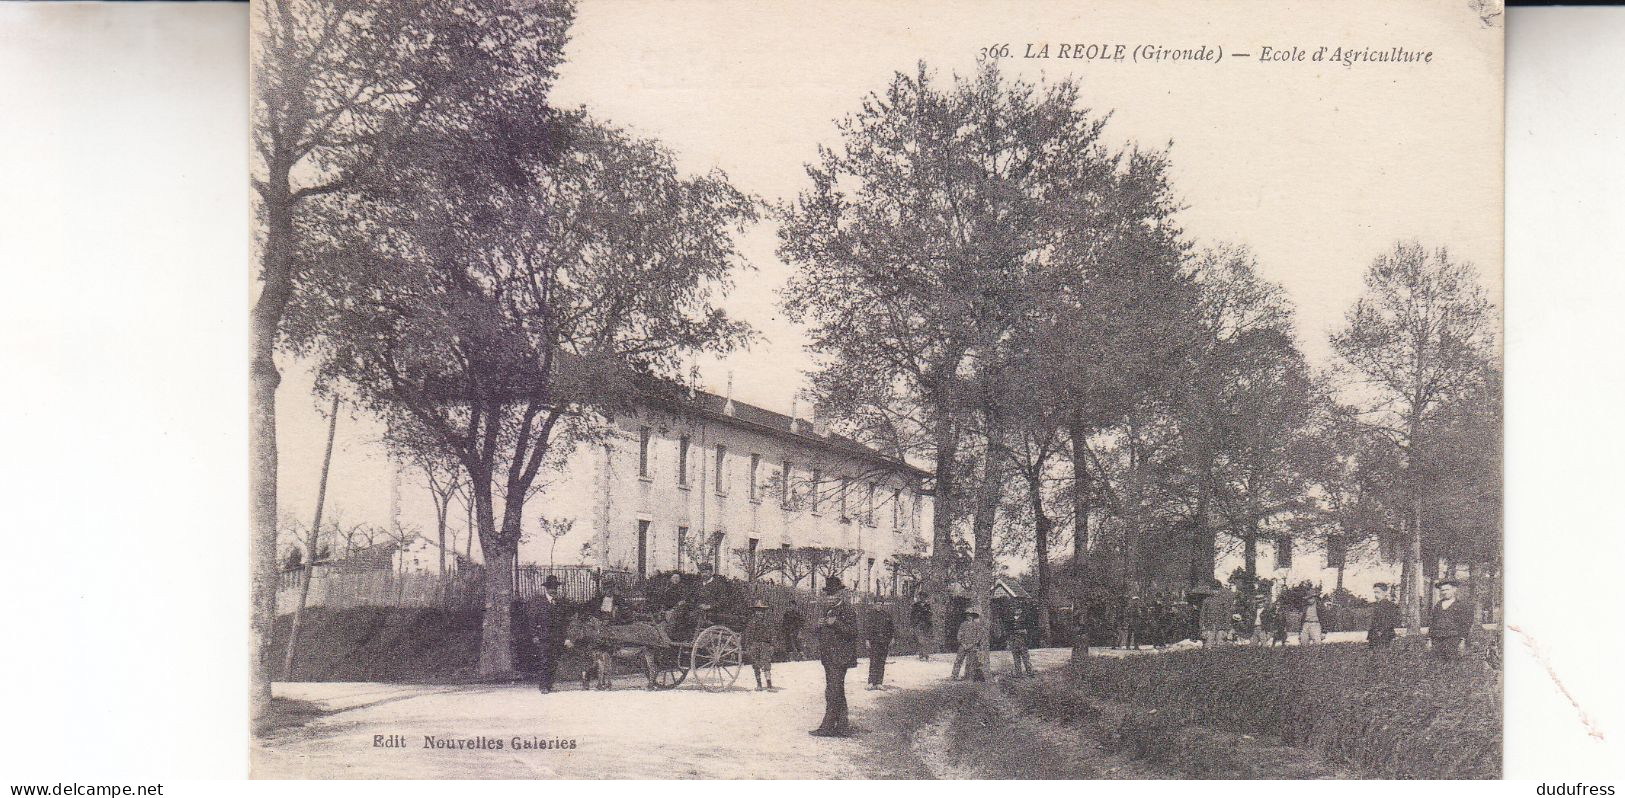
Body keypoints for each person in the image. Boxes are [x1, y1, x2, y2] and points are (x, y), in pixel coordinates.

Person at [810, 578, 859, 737]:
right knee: (837, 690)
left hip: (841, 657)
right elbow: (819, 632)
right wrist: (817, 626)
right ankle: (843, 726)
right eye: (828, 594)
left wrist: (835, 623)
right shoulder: (826, 610)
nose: (830, 597)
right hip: (828, 657)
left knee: (832, 690)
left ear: (840, 593)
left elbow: (853, 632)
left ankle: (827, 726)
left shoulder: (848, 610)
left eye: (833, 593)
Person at [530, 575, 568, 693]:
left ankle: (550, 684)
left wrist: (565, 637)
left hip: (557, 637)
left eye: (555, 587)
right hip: (543, 636)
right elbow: (532, 620)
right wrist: (534, 635)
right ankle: (543, 686)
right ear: (546, 588)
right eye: (551, 587)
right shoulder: (539, 603)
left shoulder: (560, 603)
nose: (553, 590)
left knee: (554, 660)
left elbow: (564, 621)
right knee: (544, 660)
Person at [1427, 578, 1475, 659]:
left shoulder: (1461, 605)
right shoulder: (1438, 605)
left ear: (1454, 589)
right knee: (1437, 664)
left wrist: (1462, 640)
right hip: (1437, 640)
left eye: (1447, 589)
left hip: (1453, 640)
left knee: (1452, 664)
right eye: (1442, 590)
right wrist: (1429, 640)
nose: (1445, 592)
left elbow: (1466, 624)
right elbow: (1432, 623)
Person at [743, 600, 777, 691]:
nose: (760, 613)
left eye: (761, 611)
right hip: (754, 645)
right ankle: (759, 685)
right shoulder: (751, 622)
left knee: (766, 664)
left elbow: (773, 634)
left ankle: (769, 685)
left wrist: (772, 645)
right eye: (758, 610)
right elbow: (748, 634)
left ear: (764, 612)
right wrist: (747, 646)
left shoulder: (768, 622)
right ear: (755, 611)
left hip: (765, 644)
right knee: (755, 664)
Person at [950, 609, 987, 682]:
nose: (969, 617)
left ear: (973, 616)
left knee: (970, 662)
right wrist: (963, 644)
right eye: (968, 615)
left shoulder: (977, 625)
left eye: (971, 615)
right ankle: (954, 675)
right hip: (963, 645)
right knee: (958, 660)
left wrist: (972, 644)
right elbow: (959, 635)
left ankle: (969, 677)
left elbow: (978, 637)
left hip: (972, 646)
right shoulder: (963, 624)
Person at [865, 604, 894, 690]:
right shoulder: (870, 615)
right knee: (873, 662)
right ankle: (871, 682)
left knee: (881, 662)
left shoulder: (886, 615)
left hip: (884, 642)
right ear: (874, 605)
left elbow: (891, 628)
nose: (879, 606)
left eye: (881, 604)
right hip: (874, 642)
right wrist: (867, 640)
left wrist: (892, 638)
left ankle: (879, 682)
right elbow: (867, 628)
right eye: (877, 604)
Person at [1367, 582, 1401, 648]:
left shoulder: (1389, 605)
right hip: (1374, 636)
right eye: (1375, 592)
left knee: (1383, 654)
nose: (1376, 595)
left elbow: (1389, 621)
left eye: (1378, 592)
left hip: (1384, 636)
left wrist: (1380, 631)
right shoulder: (1376, 605)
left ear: (1385, 592)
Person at [1005, 606, 1034, 677]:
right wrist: (1009, 641)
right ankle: (1018, 673)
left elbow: (1028, 630)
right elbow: (1008, 631)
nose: (1016, 611)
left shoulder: (1025, 619)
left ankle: (1030, 672)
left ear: (1021, 611)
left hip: (1022, 641)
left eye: (1018, 609)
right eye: (1015, 609)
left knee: (1025, 658)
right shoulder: (1010, 619)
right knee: (1016, 658)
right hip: (1013, 641)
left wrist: (1023, 632)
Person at [910, 593, 934, 660]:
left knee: (926, 640)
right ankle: (922, 654)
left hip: (926, 625)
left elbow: (930, 615)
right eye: (921, 597)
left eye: (924, 597)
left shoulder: (927, 606)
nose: (922, 598)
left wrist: (930, 623)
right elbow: (912, 616)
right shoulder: (915, 606)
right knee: (920, 640)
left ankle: (925, 654)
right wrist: (913, 624)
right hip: (918, 624)